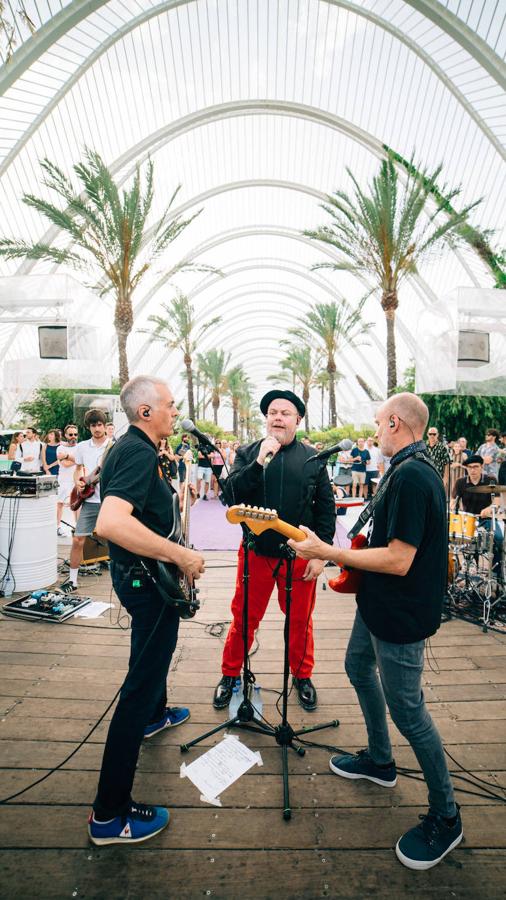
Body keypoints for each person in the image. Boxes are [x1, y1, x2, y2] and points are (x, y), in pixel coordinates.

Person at [288, 392, 463, 871]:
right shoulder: (407, 468)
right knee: (356, 665)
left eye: (378, 422)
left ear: (394, 422)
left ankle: (447, 816)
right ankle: (381, 762)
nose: (374, 430)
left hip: (401, 611)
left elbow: (399, 559)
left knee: (408, 709)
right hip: (379, 601)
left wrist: (330, 553)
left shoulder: (410, 475)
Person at [88, 375, 205, 846]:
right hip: (148, 585)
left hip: (141, 580)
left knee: (149, 666)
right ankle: (110, 815)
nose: (175, 414)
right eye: (171, 406)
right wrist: (179, 556)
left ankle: (156, 715)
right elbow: (111, 523)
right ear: (146, 412)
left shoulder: (131, 447)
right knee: (137, 686)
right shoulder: (137, 451)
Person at [213, 389, 335, 712]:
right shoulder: (248, 452)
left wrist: (321, 555)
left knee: (300, 620)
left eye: (285, 413)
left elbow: (326, 510)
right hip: (255, 553)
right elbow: (231, 495)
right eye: (273, 412)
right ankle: (229, 674)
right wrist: (258, 461)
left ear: (297, 419)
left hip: (299, 556)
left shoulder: (313, 459)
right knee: (243, 618)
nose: (278, 417)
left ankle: (302, 675)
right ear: (266, 418)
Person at [60, 409, 110, 594]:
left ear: (105, 425)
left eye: (99, 424)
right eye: (93, 425)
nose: (97, 428)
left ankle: (126, 578)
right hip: (90, 500)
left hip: (111, 500)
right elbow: (78, 469)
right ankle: (72, 580)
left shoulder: (113, 446)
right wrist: (77, 483)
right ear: (88, 427)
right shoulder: (82, 446)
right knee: (78, 539)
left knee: (120, 540)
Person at [452, 454, 503, 573]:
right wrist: (454, 508)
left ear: (482, 467)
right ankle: (460, 571)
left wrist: (490, 509)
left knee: (498, 538)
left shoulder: (491, 480)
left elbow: (497, 502)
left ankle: (497, 573)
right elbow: (453, 501)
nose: (473, 470)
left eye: (475, 467)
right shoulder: (460, 482)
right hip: (468, 521)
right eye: (470, 467)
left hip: (487, 519)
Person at [56, 424, 79, 534]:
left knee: (76, 504)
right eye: (71, 434)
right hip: (63, 480)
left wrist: (68, 457)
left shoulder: (80, 447)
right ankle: (57, 526)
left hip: (76, 480)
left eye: (75, 434)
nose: (73, 436)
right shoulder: (60, 448)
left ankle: (77, 527)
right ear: (65, 435)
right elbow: (65, 464)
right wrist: (79, 459)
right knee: (60, 503)